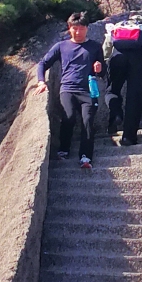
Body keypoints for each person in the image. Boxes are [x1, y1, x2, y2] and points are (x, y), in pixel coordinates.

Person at [36, 15, 104, 168]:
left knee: (88, 121)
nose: (78, 32)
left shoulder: (95, 46)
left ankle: (86, 157)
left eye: (81, 28)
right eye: (75, 28)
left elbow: (102, 71)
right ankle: (64, 149)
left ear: (87, 28)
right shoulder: (61, 46)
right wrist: (41, 81)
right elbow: (43, 63)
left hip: (88, 90)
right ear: (69, 28)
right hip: (68, 89)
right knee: (69, 117)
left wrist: (99, 69)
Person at [102, 16, 142, 148]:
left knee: (112, 90)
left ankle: (116, 113)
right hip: (139, 58)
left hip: (118, 56)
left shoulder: (119, 25)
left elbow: (107, 45)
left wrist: (107, 60)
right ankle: (128, 137)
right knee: (135, 98)